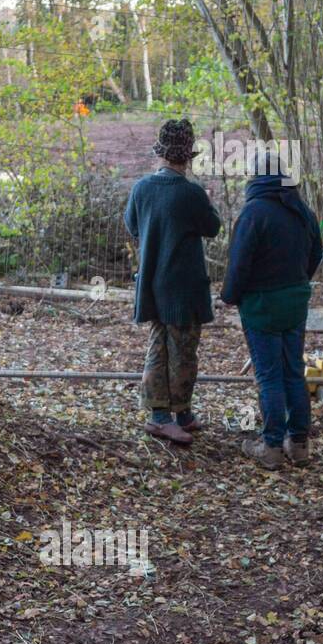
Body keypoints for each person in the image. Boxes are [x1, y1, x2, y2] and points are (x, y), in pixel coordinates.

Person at [219, 147, 323, 470]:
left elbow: (239, 266)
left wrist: (231, 296)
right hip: (294, 304)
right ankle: (300, 444)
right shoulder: (302, 211)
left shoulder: (253, 213)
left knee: (269, 377)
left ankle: (272, 447)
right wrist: (297, 282)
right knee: (294, 371)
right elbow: (315, 254)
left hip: (262, 306)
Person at [124, 119, 222, 446]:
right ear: (187, 156)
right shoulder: (191, 194)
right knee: (183, 352)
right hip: (183, 288)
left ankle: (173, 415)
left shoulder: (141, 189)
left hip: (152, 285)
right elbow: (212, 227)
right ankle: (166, 418)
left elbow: (132, 225)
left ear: (161, 152)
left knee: (159, 347)